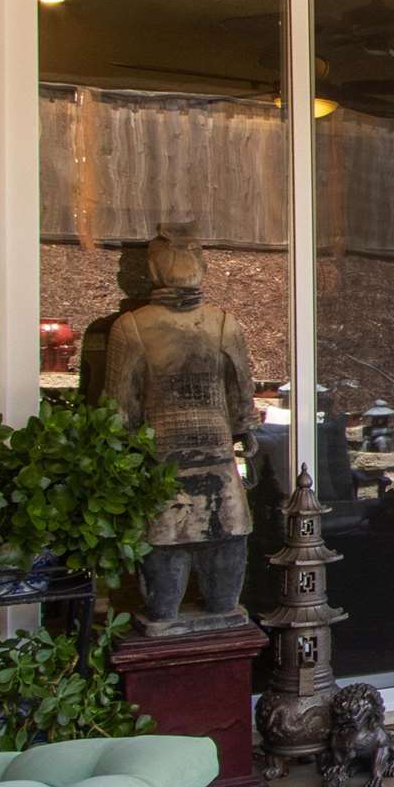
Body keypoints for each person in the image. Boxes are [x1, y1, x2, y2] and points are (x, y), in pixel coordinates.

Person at [101, 228, 256, 631]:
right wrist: (245, 432)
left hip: (169, 460)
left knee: (188, 549)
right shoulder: (220, 324)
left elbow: (118, 408)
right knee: (211, 542)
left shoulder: (134, 327)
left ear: (151, 269)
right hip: (192, 459)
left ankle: (185, 617)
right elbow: (242, 395)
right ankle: (185, 617)